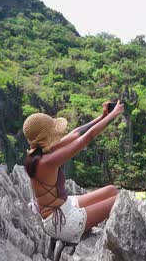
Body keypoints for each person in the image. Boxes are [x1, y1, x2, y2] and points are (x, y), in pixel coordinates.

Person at [22, 100, 124, 243]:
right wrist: (113, 115)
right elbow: (85, 138)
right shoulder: (46, 161)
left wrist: (102, 117)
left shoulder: (40, 152)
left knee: (112, 190)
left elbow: (76, 134)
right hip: (61, 222)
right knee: (120, 201)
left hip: (65, 207)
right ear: (46, 136)